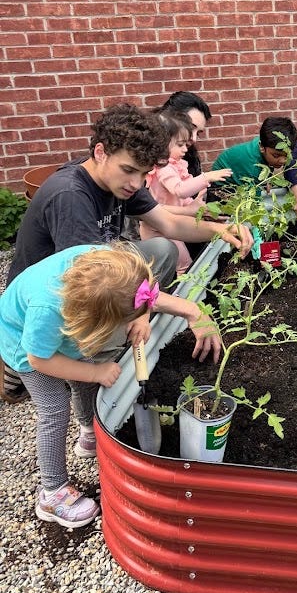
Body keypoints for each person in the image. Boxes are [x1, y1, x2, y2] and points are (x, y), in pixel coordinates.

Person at [2, 104, 252, 404]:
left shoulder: (121, 182)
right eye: (129, 170)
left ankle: (131, 326)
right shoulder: (70, 197)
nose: (136, 182)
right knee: (107, 327)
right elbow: (98, 286)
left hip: (101, 270)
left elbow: (168, 223)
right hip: (55, 299)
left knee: (161, 250)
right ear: (100, 152)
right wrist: (188, 309)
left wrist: (220, 230)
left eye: (144, 173)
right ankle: (88, 376)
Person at [0, 243, 222, 529]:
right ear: (99, 323)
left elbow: (146, 293)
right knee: (54, 408)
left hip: (64, 331)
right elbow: (40, 359)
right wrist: (95, 373)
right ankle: (52, 493)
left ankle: (88, 434)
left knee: (84, 375)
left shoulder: (112, 267)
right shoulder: (48, 310)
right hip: (24, 345)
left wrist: (188, 313)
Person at [140, 110, 233, 274]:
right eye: (180, 144)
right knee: (182, 264)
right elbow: (180, 191)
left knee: (182, 263)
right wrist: (206, 177)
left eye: (186, 145)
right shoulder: (164, 169)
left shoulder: (174, 165)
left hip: (169, 223)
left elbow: (182, 200)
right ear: (163, 144)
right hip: (157, 229)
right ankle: (180, 292)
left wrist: (201, 210)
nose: (185, 149)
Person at [211, 116, 297, 224]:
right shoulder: (253, 166)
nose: (282, 160)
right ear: (262, 147)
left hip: (240, 177)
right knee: (227, 224)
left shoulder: (267, 144)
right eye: (276, 155)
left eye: (286, 155)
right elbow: (253, 205)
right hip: (221, 188)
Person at [160, 91, 211, 178]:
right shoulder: (144, 153)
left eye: (198, 133)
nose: (194, 138)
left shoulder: (189, 157)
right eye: (190, 127)